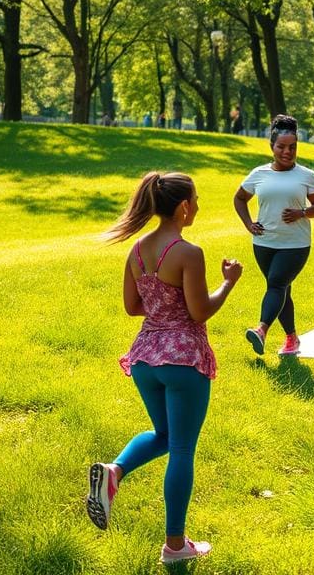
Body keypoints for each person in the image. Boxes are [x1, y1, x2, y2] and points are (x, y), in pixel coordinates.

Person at [88, 171, 243, 564]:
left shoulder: (136, 250)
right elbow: (200, 310)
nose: (198, 206)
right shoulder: (188, 252)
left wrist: (160, 305)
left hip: (145, 357)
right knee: (181, 448)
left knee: (164, 434)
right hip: (182, 358)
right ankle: (176, 546)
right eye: (196, 199)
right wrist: (228, 283)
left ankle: (114, 471)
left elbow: (132, 306)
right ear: (184, 207)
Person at [234, 114, 314, 355]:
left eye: (293, 147)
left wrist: (302, 212)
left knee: (276, 284)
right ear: (272, 146)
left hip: (295, 244)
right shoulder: (258, 174)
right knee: (280, 288)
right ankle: (292, 339)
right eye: (282, 147)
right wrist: (248, 224)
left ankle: (261, 330)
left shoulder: (306, 175)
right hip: (264, 242)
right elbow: (240, 198)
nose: (288, 151)